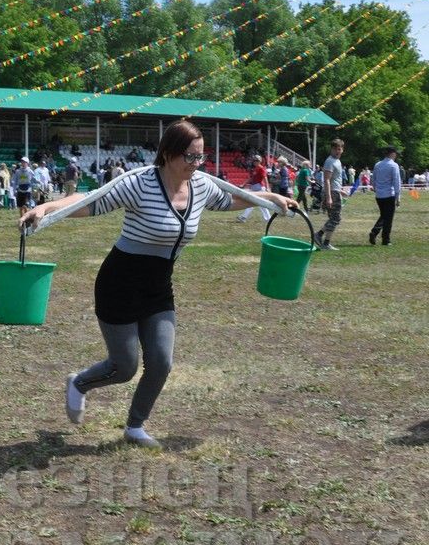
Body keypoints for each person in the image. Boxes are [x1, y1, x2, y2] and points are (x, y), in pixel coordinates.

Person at [20, 120, 295, 448]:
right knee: (124, 367)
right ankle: (79, 383)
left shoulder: (201, 186)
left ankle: (135, 427)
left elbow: (233, 198)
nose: (195, 165)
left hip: (158, 287)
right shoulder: (139, 183)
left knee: (161, 362)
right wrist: (46, 207)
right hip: (119, 284)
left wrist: (271, 198)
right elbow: (90, 201)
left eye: (200, 158)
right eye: (189, 158)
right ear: (167, 154)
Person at [316, 139, 346, 251]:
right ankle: (321, 238)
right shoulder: (330, 161)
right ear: (332, 149)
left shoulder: (337, 161)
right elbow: (327, 180)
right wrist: (329, 197)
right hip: (331, 193)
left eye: (340, 149)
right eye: (336, 149)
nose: (338, 151)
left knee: (334, 218)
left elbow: (335, 179)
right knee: (335, 218)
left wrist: (340, 190)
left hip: (335, 191)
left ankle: (323, 240)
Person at [369, 145, 402, 246]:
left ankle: (375, 232)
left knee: (384, 216)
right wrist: (398, 197)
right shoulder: (394, 165)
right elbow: (397, 182)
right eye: (395, 153)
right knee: (388, 218)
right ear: (392, 153)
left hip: (379, 195)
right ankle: (385, 239)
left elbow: (373, 179)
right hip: (389, 194)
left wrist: (376, 188)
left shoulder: (378, 164)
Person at [235, 154, 271, 223]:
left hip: (260, 187)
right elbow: (251, 178)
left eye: (256, 160)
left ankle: (267, 218)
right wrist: (243, 184)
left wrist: (267, 187)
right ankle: (244, 217)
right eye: (254, 160)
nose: (254, 162)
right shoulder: (255, 169)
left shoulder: (261, 168)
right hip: (254, 187)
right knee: (252, 203)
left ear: (259, 161)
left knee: (261, 204)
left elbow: (265, 178)